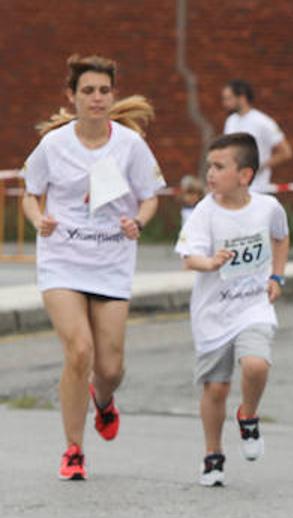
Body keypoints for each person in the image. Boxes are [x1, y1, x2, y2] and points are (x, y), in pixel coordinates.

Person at [21, 54, 166, 480]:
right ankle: (73, 449)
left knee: (110, 368)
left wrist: (137, 221)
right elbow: (30, 193)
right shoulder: (53, 145)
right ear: (72, 96)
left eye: (104, 90)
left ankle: (103, 401)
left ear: (112, 95)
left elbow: (151, 195)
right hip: (62, 260)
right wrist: (38, 220)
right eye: (88, 91)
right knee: (79, 351)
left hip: (111, 261)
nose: (97, 98)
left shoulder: (130, 145)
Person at [175, 133, 290, 487]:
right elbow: (187, 256)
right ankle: (213, 454)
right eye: (209, 166)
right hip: (212, 315)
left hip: (253, 306)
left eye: (219, 167)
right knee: (216, 389)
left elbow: (281, 236)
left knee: (255, 364)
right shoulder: (204, 212)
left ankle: (249, 416)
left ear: (245, 175)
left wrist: (277, 276)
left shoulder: (268, 207)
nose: (210, 174)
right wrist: (209, 263)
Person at [221, 79, 292, 193]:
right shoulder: (230, 121)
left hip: (258, 188)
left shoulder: (263, 122)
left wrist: (259, 166)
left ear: (242, 97)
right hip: (235, 188)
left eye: (229, 98)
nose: (225, 103)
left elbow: (286, 152)